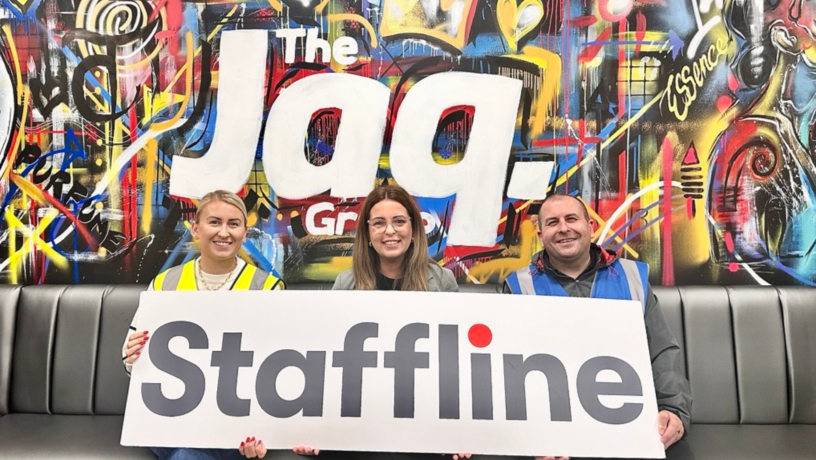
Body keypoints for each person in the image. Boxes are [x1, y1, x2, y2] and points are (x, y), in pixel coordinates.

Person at [503, 194, 692, 460]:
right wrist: (535, 436)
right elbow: (508, 369)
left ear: (590, 225)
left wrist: (673, 410)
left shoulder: (631, 277)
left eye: (571, 219)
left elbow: (661, 352)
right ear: (541, 233)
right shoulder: (517, 286)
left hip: (626, 422)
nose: (564, 228)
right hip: (552, 426)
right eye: (552, 222)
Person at [122, 190, 284, 460]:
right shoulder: (164, 284)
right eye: (214, 222)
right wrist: (133, 357)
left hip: (237, 422)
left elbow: (280, 370)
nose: (224, 232)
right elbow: (130, 364)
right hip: (172, 415)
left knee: (187, 455)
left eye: (234, 224)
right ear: (196, 229)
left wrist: (262, 429)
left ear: (245, 232)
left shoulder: (267, 288)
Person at [332, 184, 458, 292]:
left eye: (399, 221)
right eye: (378, 223)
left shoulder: (443, 281)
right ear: (367, 232)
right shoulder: (344, 284)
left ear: (413, 228)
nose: (390, 231)